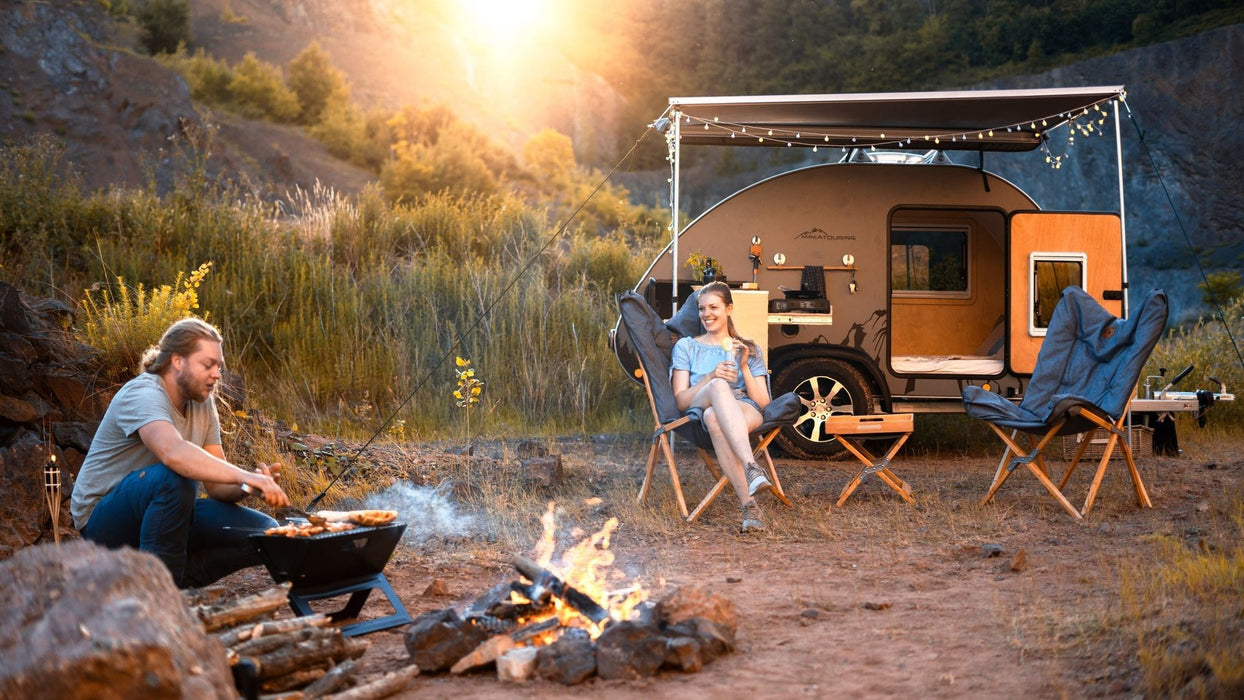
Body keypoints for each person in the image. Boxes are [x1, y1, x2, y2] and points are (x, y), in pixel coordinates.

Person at [70, 318, 290, 588]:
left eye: (219, 367)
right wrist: (245, 474)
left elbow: (217, 488)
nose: (217, 374)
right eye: (207, 365)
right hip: (104, 522)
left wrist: (247, 485)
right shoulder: (143, 393)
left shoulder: (202, 403)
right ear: (177, 361)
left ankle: (176, 585)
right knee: (173, 477)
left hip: (164, 514)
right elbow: (173, 453)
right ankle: (159, 598)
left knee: (267, 535)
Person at [670, 281, 773, 532]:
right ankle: (751, 468)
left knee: (715, 416)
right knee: (717, 389)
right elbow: (681, 400)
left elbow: (763, 403)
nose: (707, 314)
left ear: (728, 308)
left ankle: (750, 509)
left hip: (742, 407)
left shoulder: (748, 347)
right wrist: (710, 377)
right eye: (702, 309)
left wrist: (745, 366)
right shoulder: (687, 346)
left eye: (713, 307)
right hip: (701, 401)